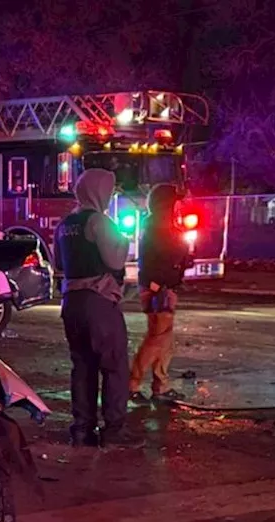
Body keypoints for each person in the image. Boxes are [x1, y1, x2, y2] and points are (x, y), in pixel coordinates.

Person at [55, 168, 142, 448]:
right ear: (99, 191)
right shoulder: (100, 222)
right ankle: (114, 431)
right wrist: (124, 240)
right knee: (114, 365)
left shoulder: (64, 224)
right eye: (110, 189)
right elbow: (116, 261)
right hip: (98, 303)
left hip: (72, 303)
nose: (112, 194)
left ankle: (82, 430)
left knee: (82, 366)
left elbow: (59, 264)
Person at [129, 184, 192, 406]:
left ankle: (160, 387)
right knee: (156, 340)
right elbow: (156, 260)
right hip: (159, 289)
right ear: (166, 204)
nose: (179, 206)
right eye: (175, 201)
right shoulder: (158, 229)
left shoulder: (160, 226)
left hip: (163, 288)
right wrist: (157, 285)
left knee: (164, 341)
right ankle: (132, 386)